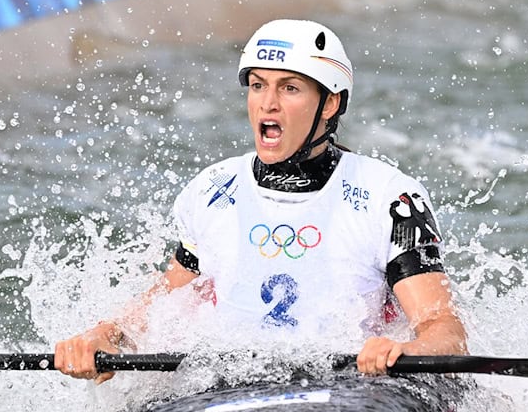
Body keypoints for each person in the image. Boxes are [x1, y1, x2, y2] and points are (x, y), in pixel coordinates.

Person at [55, 19, 467, 384]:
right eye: (258, 85)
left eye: (289, 88)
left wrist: (408, 351)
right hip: (228, 387)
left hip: (349, 390)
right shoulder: (213, 190)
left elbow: (442, 326)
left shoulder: (390, 197)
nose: (267, 103)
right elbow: (161, 305)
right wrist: (105, 335)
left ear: (330, 103)